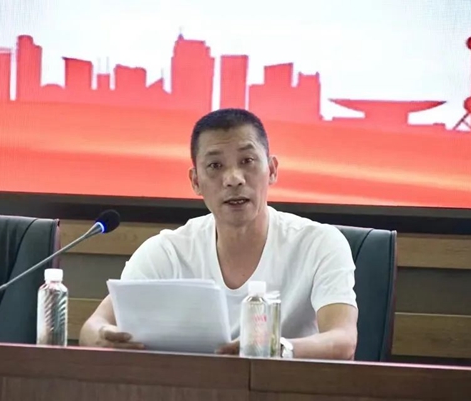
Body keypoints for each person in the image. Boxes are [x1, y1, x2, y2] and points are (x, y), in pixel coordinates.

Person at [79, 108, 358, 360]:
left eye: (247, 160)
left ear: (272, 170)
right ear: (195, 181)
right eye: (215, 166)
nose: (234, 178)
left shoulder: (319, 243)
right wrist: (104, 337)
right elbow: (92, 328)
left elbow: (343, 340)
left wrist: (276, 348)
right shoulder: (167, 252)